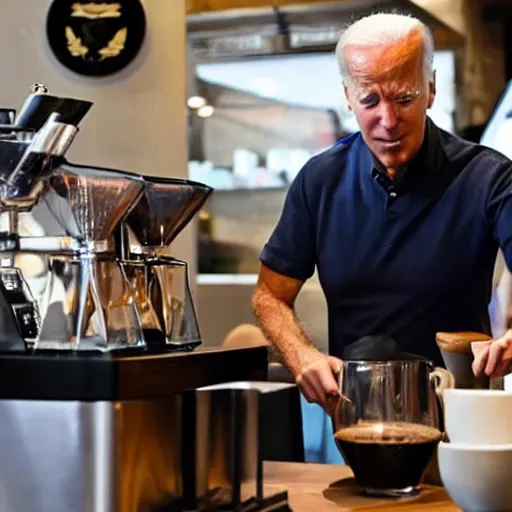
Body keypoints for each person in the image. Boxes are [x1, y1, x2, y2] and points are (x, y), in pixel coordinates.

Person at [251, 12, 512, 412]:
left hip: (459, 414)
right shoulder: (320, 181)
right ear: (347, 96)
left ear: (431, 88)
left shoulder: (488, 177)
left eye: (404, 98)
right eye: (370, 100)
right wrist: (302, 356)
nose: (388, 121)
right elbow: (270, 294)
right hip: (356, 417)